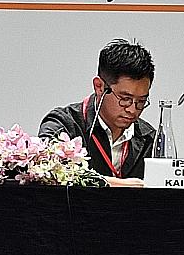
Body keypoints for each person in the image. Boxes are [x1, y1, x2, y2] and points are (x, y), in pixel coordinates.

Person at [40, 39, 158, 186]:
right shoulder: (63, 124)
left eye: (141, 101)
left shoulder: (149, 139)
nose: (132, 110)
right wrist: (110, 184)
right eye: (125, 99)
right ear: (99, 87)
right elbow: (46, 169)